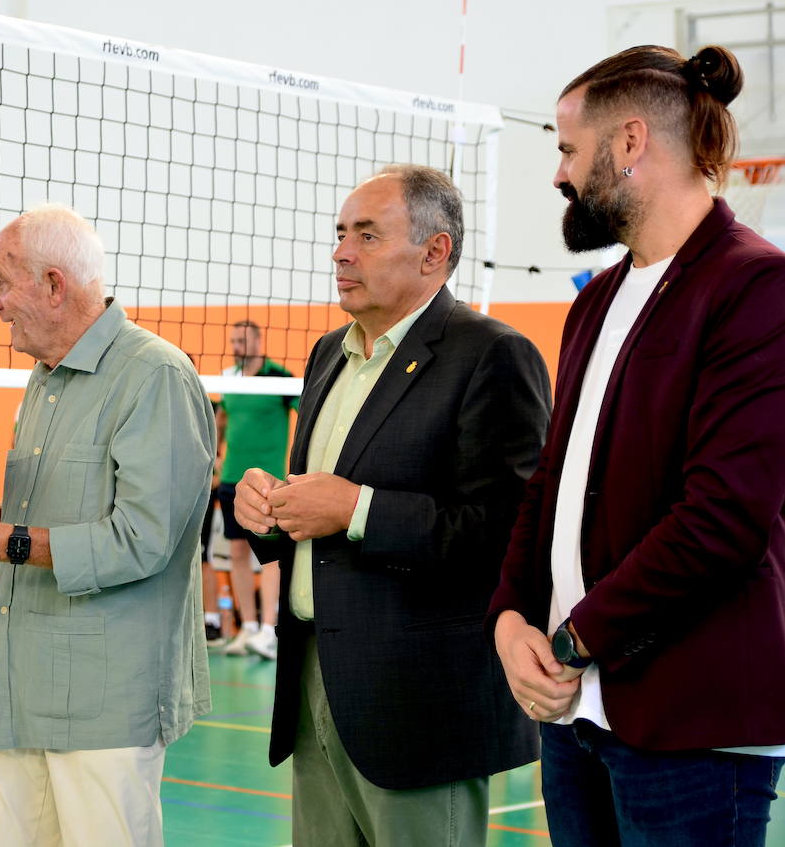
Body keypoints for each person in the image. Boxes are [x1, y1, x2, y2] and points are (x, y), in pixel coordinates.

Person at [488, 45, 785, 847]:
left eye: (569, 150)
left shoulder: (758, 288)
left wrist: (575, 640)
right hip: (576, 719)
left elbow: (722, 522)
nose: (560, 175)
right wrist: (509, 616)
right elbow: (552, 482)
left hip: (693, 726)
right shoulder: (598, 299)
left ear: (630, 141)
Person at [233, 165, 552, 845]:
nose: (341, 253)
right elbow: (318, 505)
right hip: (313, 680)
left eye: (367, 235)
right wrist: (270, 512)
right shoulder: (328, 354)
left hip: (419, 706)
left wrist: (358, 510)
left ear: (434, 252)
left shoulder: (493, 354)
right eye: (340, 234)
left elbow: (506, 535)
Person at [0, 203, 216, 846]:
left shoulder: (154, 375)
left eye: (1, 280)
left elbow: (143, 539)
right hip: (15, 684)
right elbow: (44, 523)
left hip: (103, 702)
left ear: (54, 284)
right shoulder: (44, 379)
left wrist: (5, 541)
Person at [217, 320, 298, 660]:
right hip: (231, 481)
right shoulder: (228, 377)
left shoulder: (280, 377)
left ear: (257, 341)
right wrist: (214, 456)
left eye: (242, 340)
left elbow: (308, 415)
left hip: (267, 484)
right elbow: (223, 419)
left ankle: (269, 630)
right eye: (233, 340)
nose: (236, 346)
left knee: (271, 558)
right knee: (236, 554)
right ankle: (247, 627)